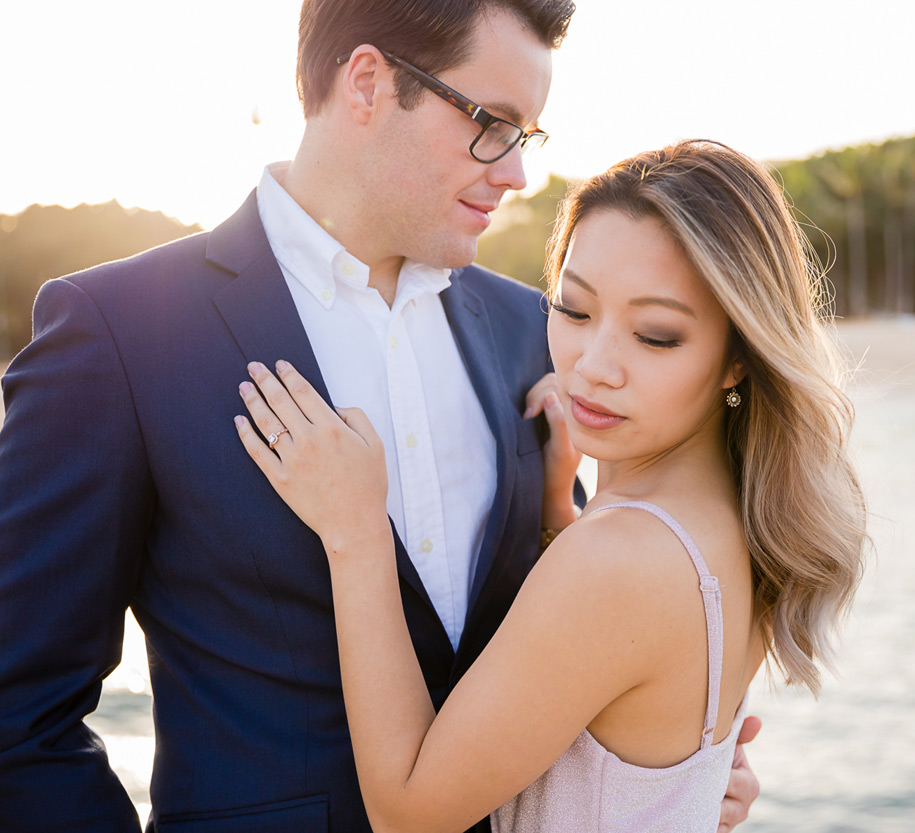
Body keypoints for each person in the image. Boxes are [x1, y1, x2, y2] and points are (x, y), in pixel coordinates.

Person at [0, 3, 757, 831]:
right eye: (493, 123)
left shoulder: (535, 330)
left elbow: (574, 630)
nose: (516, 174)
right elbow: (18, 712)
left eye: (526, 135)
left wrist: (672, 764)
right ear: (368, 83)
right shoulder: (121, 333)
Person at [233, 140, 868, 832]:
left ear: (738, 358)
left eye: (655, 336)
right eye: (572, 310)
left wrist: (358, 533)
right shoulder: (740, 524)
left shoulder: (616, 561)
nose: (594, 366)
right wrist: (558, 509)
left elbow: (408, 812)